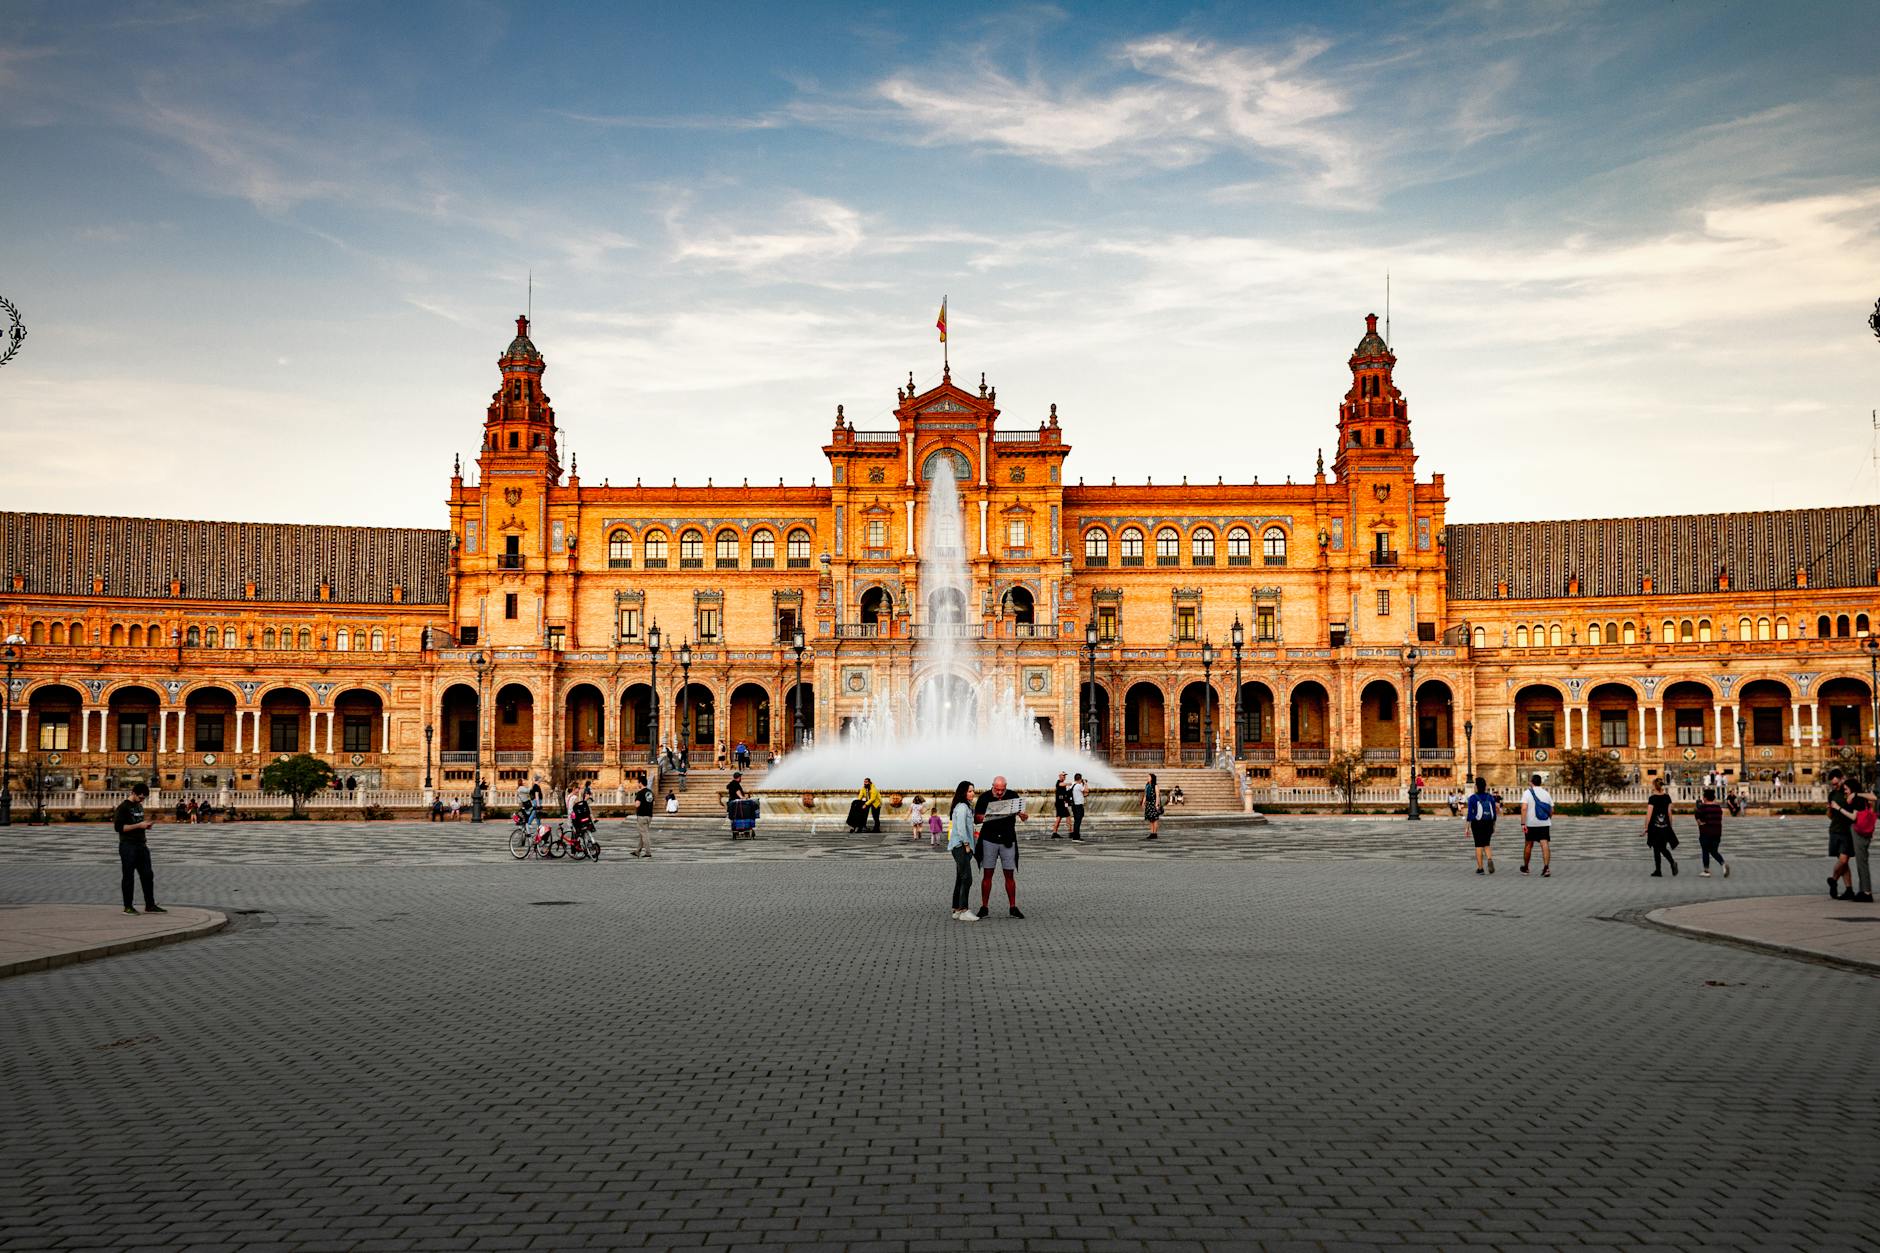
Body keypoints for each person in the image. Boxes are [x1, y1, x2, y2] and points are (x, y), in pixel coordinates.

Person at [973, 775, 1028, 918]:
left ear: (1006, 787)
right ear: (992, 786)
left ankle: (1013, 907)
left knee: (1009, 874)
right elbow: (977, 818)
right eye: (997, 789)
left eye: (1002, 790)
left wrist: (1023, 816)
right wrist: (990, 814)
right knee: (987, 874)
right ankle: (984, 907)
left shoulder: (1012, 795)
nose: (999, 792)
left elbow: (1021, 813)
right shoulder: (984, 797)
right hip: (989, 839)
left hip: (1008, 839)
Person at [112, 782, 164, 916]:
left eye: (144, 798)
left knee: (148, 875)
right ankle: (128, 906)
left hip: (141, 844)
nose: (142, 800)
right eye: (140, 797)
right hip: (128, 845)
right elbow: (119, 828)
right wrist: (139, 826)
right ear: (133, 793)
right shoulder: (123, 808)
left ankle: (150, 905)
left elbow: (137, 823)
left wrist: (145, 825)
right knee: (128, 876)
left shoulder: (139, 806)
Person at [947, 781, 979, 922]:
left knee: (960, 878)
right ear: (963, 792)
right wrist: (967, 844)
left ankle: (957, 909)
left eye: (973, 791)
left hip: (959, 846)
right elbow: (960, 828)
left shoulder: (964, 806)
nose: (972, 793)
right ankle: (964, 910)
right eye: (969, 791)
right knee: (967, 878)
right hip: (960, 846)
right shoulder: (962, 807)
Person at [1826, 767, 1856, 899]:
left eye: (1837, 783)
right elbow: (1830, 815)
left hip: (1848, 831)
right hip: (1835, 830)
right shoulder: (1832, 794)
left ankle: (1833, 880)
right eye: (1833, 784)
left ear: (1842, 779)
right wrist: (1829, 810)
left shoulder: (1850, 792)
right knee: (1844, 862)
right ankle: (1849, 889)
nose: (1835, 786)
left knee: (1844, 859)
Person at [1520, 772, 1554, 877]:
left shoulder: (1527, 793)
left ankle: (1526, 867)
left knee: (1528, 844)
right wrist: (1548, 818)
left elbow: (1524, 808)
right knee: (1544, 844)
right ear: (1540, 782)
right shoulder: (1546, 793)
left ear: (1531, 782)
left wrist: (1523, 823)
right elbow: (1551, 809)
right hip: (1544, 823)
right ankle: (1546, 867)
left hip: (1531, 823)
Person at [1643, 776, 1678, 876]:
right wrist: (1670, 826)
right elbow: (1669, 813)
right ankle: (1670, 863)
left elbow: (1649, 814)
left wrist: (1646, 827)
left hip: (1654, 827)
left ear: (1654, 786)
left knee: (1656, 848)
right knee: (1662, 847)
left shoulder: (1652, 798)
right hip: (1665, 826)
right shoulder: (1667, 797)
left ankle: (1659, 869)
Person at [1466, 776, 1498, 874]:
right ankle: (1489, 859)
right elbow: (1494, 813)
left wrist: (1467, 827)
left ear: (1476, 786)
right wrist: (1493, 825)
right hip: (1488, 823)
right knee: (1486, 844)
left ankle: (1480, 868)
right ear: (1485, 786)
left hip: (1477, 823)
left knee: (1478, 845)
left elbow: (1470, 814)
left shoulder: (1472, 798)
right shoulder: (1490, 797)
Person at [1694, 787, 1729, 878]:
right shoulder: (1718, 808)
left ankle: (1706, 870)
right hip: (1717, 832)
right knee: (1713, 851)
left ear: (1705, 798)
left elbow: (1698, 819)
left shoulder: (1702, 808)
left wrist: (1701, 822)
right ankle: (1723, 864)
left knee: (1705, 850)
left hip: (1706, 832)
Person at [1850, 787, 1876, 903]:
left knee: (1862, 862)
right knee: (1861, 862)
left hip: (1861, 831)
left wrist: (1856, 794)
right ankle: (1863, 890)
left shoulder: (1859, 797)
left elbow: (1874, 798)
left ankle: (1866, 892)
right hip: (1864, 831)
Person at [631, 777, 655, 858]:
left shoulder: (640, 793)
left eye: (638, 782)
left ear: (641, 783)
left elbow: (637, 804)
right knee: (643, 834)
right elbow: (653, 803)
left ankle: (648, 852)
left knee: (645, 835)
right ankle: (637, 851)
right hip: (649, 815)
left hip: (642, 816)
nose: (638, 784)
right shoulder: (650, 792)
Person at [1142, 772, 1161, 840]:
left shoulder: (1155, 785)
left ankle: (1155, 833)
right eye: (1147, 777)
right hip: (1148, 804)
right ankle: (1151, 833)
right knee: (1150, 819)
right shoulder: (1147, 785)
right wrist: (1143, 802)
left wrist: (1157, 804)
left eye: (1149, 777)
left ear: (1152, 778)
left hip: (1153, 803)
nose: (1147, 778)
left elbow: (1157, 795)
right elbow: (1145, 795)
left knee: (1155, 819)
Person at [1050, 772, 1070, 838]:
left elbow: (1065, 796)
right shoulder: (1058, 782)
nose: (1064, 776)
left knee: (1059, 818)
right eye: (1063, 775)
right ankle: (1071, 832)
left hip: (1063, 803)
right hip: (1060, 804)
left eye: (1065, 775)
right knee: (1067, 816)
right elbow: (1061, 784)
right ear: (1060, 776)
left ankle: (1054, 832)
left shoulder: (1063, 785)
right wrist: (1071, 783)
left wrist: (1066, 805)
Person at [1069, 773, 1088, 841]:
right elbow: (1086, 791)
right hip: (1078, 806)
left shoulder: (1072, 785)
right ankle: (1076, 837)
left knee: (1076, 821)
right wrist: (1085, 783)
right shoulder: (1079, 786)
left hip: (1074, 805)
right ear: (1080, 779)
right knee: (1078, 821)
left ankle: (1076, 836)